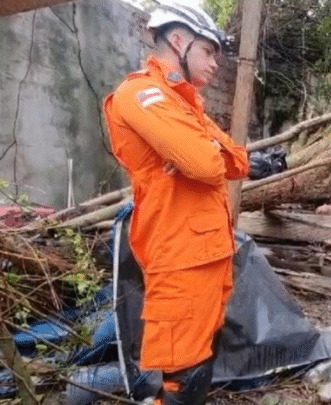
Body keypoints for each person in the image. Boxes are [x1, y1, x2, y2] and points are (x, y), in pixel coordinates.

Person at [103, 2, 249, 404]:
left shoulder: (184, 103)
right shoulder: (140, 93)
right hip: (178, 255)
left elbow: (236, 160)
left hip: (209, 252)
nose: (215, 64)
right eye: (208, 51)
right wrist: (201, 153)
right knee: (180, 378)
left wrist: (198, 152)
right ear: (179, 40)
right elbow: (205, 163)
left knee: (200, 364)